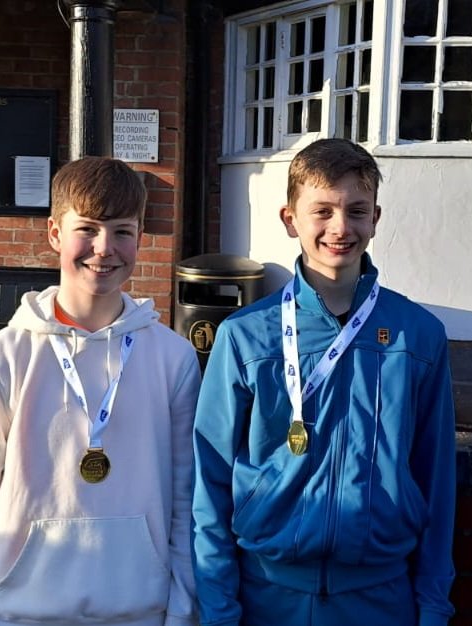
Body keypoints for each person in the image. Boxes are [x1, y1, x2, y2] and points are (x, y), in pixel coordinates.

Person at [191, 138, 457, 626]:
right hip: (266, 597)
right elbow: (209, 482)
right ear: (290, 218)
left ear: (375, 218)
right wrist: (218, 609)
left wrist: (433, 604)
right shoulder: (245, 337)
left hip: (380, 599)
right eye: (323, 211)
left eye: (356, 210)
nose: (340, 227)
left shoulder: (417, 336)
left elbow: (437, 480)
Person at [0, 156, 201, 626]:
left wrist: (182, 612)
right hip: (21, 613)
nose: (104, 249)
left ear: (140, 237)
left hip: (140, 612)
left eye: (122, 231)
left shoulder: (174, 359)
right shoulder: (0, 359)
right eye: (88, 229)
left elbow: (185, 504)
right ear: (55, 233)